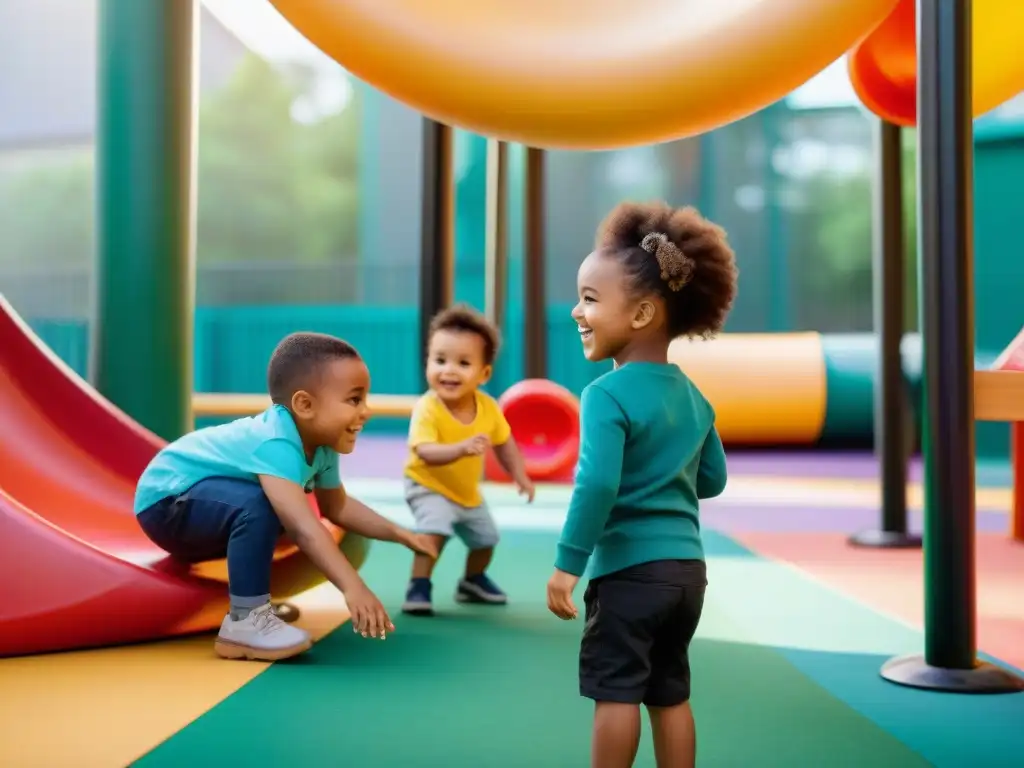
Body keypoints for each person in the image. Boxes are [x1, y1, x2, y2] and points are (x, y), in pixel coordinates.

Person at [545, 201, 738, 768]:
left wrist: (567, 562)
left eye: (589, 298)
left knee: (617, 691)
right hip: (687, 576)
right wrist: (663, 478)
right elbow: (713, 479)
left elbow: (597, 482)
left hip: (628, 576)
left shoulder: (606, 395)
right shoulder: (694, 396)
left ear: (641, 315)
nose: (576, 311)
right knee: (670, 693)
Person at [134, 332, 438, 661]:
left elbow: (337, 508)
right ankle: (246, 621)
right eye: (354, 399)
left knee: (274, 508)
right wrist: (354, 588)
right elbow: (305, 529)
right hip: (167, 502)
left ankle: (253, 604)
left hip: (206, 510)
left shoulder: (323, 444)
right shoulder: (277, 442)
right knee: (267, 508)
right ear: (305, 405)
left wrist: (401, 533)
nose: (367, 411)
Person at [401, 304, 535, 616]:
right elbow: (424, 452)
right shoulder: (428, 408)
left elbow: (505, 444)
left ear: (484, 374)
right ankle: (419, 584)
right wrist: (461, 448)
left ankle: (472, 580)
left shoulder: (488, 408)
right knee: (435, 529)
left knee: (486, 539)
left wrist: (520, 475)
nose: (448, 370)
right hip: (427, 484)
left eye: (463, 363)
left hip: (466, 493)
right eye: (440, 360)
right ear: (428, 364)